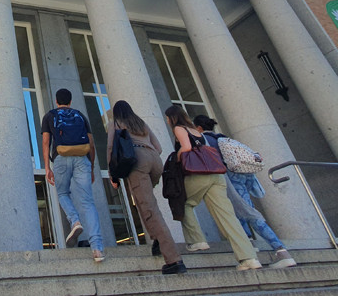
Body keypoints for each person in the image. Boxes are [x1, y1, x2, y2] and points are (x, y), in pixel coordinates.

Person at [192, 114, 297, 269]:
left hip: (227, 178)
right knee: (240, 211)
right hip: (242, 178)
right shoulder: (225, 139)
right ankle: (249, 244)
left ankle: (281, 251)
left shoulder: (207, 141)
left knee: (248, 213)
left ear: (199, 128)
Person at [164, 105, 261, 270]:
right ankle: (249, 257)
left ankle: (197, 241)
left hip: (199, 174)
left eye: (167, 118)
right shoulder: (195, 130)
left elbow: (187, 148)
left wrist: (177, 156)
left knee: (183, 202)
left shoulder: (179, 129)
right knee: (227, 217)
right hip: (216, 176)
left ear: (172, 118)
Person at [107, 100, 186, 275]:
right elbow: (158, 147)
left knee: (150, 209)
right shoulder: (140, 122)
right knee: (144, 203)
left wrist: (113, 174)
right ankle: (157, 238)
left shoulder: (116, 123)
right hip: (155, 161)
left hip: (137, 161)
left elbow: (111, 148)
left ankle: (174, 260)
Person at [41, 88, 105, 262]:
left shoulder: (50, 115)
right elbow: (91, 144)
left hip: (61, 157)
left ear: (56, 100)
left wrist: (47, 167)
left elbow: (46, 142)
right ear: (70, 101)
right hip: (81, 158)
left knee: (62, 193)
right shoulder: (80, 116)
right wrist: (91, 167)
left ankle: (75, 221)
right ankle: (97, 248)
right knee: (87, 202)